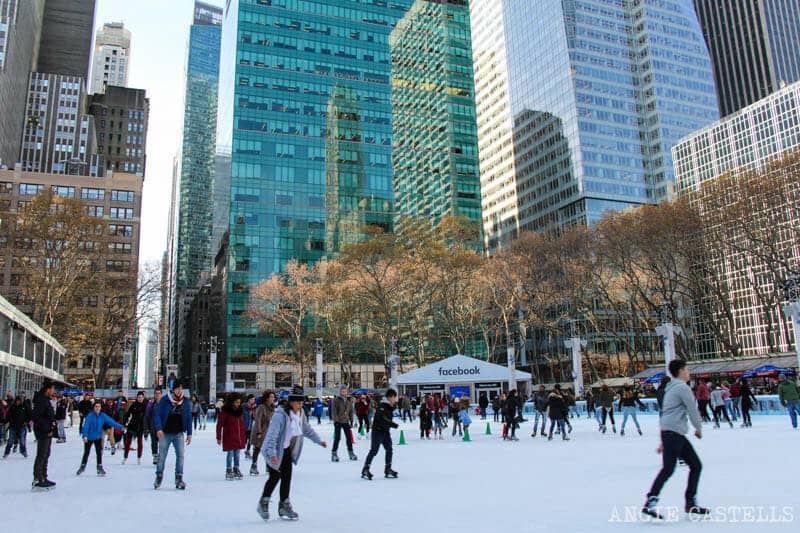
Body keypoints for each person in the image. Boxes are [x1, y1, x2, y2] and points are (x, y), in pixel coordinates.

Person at [642, 360, 708, 519]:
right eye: (686, 369)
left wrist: (663, 439)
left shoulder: (670, 388)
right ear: (680, 371)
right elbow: (692, 409)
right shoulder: (681, 388)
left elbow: (667, 413)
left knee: (694, 465)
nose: (688, 372)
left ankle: (690, 503)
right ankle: (651, 501)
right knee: (670, 469)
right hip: (673, 433)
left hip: (673, 433)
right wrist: (698, 428)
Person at [257, 385, 326, 522]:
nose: (300, 406)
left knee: (287, 477)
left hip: (286, 449)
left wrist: (319, 441)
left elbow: (307, 430)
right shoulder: (280, 416)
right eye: (298, 403)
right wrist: (272, 456)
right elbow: (271, 437)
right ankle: (263, 503)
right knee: (275, 476)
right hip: (273, 450)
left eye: (302, 403)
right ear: (291, 402)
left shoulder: (299, 415)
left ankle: (284, 505)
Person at [153, 380, 193, 490]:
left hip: (179, 433)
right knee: (161, 456)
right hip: (165, 433)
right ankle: (159, 476)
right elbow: (157, 415)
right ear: (173, 389)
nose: (180, 391)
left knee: (180, 456)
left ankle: (179, 478)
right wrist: (159, 428)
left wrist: (189, 433)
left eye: (181, 388)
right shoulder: (165, 400)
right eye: (177, 388)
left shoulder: (185, 401)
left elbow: (189, 418)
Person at [78, 400, 125, 476]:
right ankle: (82, 466)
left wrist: (120, 427)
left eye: (99, 406)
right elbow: (86, 426)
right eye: (96, 406)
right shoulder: (90, 416)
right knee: (86, 452)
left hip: (98, 437)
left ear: (101, 408)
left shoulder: (102, 415)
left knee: (99, 453)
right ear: (93, 407)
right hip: (89, 437)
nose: (97, 408)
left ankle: (99, 467)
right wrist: (85, 436)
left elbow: (111, 422)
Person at [361, 388, 399, 480]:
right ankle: (365, 469)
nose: (395, 399)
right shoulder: (382, 406)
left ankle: (388, 469)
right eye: (394, 397)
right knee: (374, 450)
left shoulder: (390, 406)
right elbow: (381, 419)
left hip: (385, 432)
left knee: (389, 449)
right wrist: (391, 424)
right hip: (377, 431)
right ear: (390, 397)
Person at [31, 381, 56, 491]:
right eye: (52, 389)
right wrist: (46, 429)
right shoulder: (41, 401)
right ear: (48, 389)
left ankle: (43, 477)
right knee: (41, 455)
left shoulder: (46, 400)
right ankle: (37, 478)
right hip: (43, 432)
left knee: (46, 454)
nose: (53, 391)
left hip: (47, 432)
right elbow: (37, 417)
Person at [217, 392, 247, 480]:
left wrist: (243, 435)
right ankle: (229, 469)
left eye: (239, 402)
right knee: (230, 454)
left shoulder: (240, 411)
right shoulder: (225, 411)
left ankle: (236, 468)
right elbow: (219, 425)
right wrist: (219, 437)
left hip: (238, 436)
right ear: (232, 402)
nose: (238, 404)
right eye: (237, 402)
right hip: (229, 436)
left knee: (237, 453)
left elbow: (241, 424)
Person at [250, 390, 276, 475]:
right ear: (267, 398)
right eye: (271, 397)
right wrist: (259, 432)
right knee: (257, 449)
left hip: (269, 432)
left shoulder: (272, 408)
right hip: (260, 431)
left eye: (273, 397)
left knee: (268, 449)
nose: (273, 398)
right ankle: (253, 466)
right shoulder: (261, 407)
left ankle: (268, 466)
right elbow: (258, 420)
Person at [331, 385, 357, 462]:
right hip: (338, 421)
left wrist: (351, 420)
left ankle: (351, 453)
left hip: (346, 421)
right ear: (340, 392)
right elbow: (334, 411)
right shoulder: (336, 400)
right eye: (342, 391)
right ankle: (334, 453)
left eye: (345, 391)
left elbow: (351, 411)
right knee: (337, 438)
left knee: (349, 438)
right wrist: (336, 420)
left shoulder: (349, 400)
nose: (344, 392)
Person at [122, 391, 147, 464]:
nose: (140, 399)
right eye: (139, 397)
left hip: (140, 426)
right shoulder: (133, 405)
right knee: (128, 442)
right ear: (137, 398)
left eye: (141, 397)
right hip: (132, 425)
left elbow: (147, 417)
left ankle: (139, 458)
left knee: (140, 443)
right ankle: (125, 457)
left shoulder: (145, 406)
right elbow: (128, 414)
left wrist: (146, 428)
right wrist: (125, 424)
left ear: (143, 398)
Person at [145, 389, 162, 465]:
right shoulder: (150, 404)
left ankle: (161, 456)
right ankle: (155, 455)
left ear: (161, 394)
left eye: (159, 393)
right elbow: (147, 416)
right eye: (156, 393)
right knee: (154, 442)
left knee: (162, 442)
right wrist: (146, 428)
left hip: (162, 427)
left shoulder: (164, 404)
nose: (157, 395)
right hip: (153, 426)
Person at [243, 395, 257, 460]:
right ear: (249, 399)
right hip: (244, 425)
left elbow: (254, 417)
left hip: (251, 426)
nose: (253, 401)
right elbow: (243, 415)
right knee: (244, 440)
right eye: (252, 399)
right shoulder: (244, 406)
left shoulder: (254, 407)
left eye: (254, 399)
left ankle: (247, 451)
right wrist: (250, 410)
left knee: (250, 439)